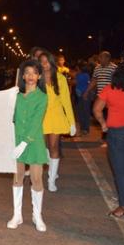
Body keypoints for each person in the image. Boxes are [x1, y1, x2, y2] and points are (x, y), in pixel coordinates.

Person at [7, 60, 48, 232]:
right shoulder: (15, 96)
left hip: (34, 141)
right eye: (27, 73)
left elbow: (36, 122)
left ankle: (37, 215)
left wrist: (25, 142)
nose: (30, 76)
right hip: (16, 140)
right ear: (22, 76)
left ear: (39, 76)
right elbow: (8, 116)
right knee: (17, 177)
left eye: (34, 73)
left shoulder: (42, 97)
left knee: (36, 179)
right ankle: (17, 215)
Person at [93, 62, 124, 219]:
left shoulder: (109, 89)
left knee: (120, 172)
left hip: (117, 134)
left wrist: (103, 124)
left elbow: (97, 109)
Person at [39, 51, 76, 192]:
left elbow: (66, 101)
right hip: (40, 117)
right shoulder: (36, 77)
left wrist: (71, 122)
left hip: (56, 116)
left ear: (51, 62)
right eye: (42, 61)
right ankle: (47, 165)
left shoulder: (60, 78)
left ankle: (51, 179)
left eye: (46, 61)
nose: (44, 64)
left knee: (54, 147)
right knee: (41, 148)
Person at [75, 62, 92, 135]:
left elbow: (75, 82)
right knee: (82, 112)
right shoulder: (84, 75)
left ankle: (85, 128)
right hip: (81, 95)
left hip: (84, 95)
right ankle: (83, 128)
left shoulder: (83, 75)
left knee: (84, 112)